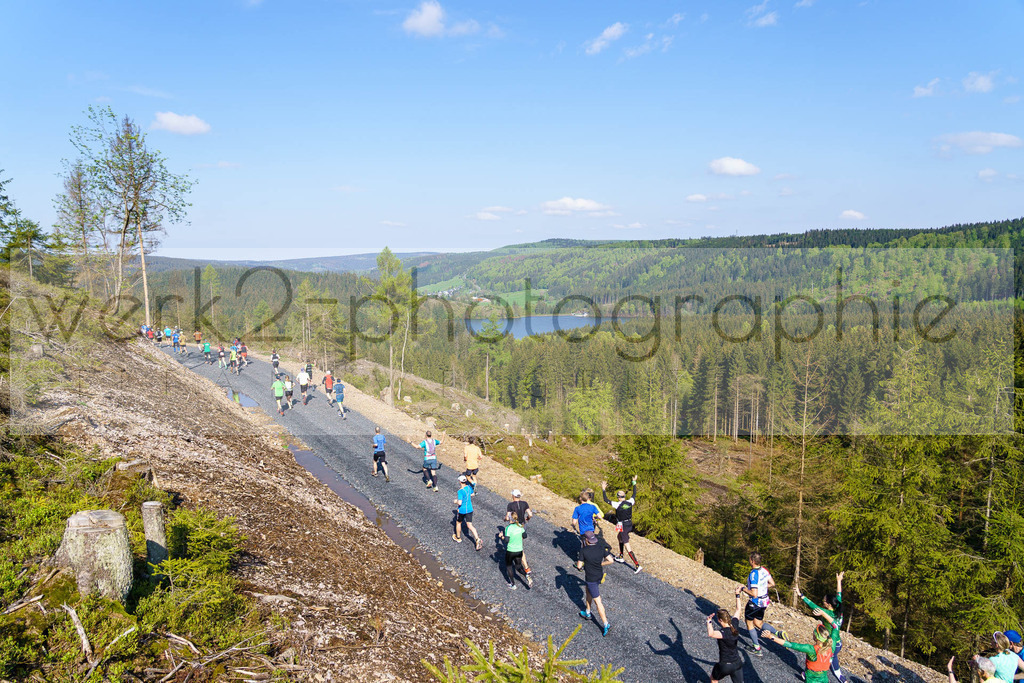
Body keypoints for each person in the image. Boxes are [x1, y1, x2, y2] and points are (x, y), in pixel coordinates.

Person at [797, 571, 846, 683]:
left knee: (825, 662)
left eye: (824, 601)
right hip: (838, 642)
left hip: (830, 643)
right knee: (833, 662)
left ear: (828, 604)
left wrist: (802, 596)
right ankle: (842, 679)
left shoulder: (826, 612)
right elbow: (839, 594)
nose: (822, 602)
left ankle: (815, 676)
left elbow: (812, 605)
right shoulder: (838, 608)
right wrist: (839, 581)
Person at [738, 553, 785, 656]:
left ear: (752, 561)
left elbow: (754, 594)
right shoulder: (764, 570)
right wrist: (762, 587)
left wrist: (743, 589)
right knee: (758, 623)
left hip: (755, 602)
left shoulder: (753, 574)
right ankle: (777, 633)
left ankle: (757, 648)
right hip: (764, 601)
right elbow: (772, 583)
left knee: (749, 623)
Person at [762, 624, 834, 683]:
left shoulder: (810, 649)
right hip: (824, 676)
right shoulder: (830, 647)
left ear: (816, 636)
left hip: (812, 677)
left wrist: (770, 636)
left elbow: (790, 645)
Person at [601, 476, 641, 574]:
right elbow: (634, 493)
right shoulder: (630, 502)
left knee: (627, 545)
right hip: (629, 523)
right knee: (619, 537)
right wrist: (634, 482)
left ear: (618, 497)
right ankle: (621, 556)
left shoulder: (616, 504)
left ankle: (637, 565)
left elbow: (606, 500)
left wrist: (603, 489)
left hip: (622, 524)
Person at [578, 531, 613, 637]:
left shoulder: (584, 550)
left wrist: (584, 564)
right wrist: (601, 563)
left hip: (591, 578)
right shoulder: (601, 548)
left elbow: (579, 566)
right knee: (587, 591)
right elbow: (611, 560)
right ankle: (587, 612)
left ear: (587, 541)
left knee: (598, 602)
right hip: (599, 576)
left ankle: (605, 624)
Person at [706, 590, 746, 683]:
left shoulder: (723, 632)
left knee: (714, 679)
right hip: (737, 663)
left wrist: (709, 622)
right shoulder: (734, 625)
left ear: (720, 620)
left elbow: (710, 633)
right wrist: (737, 595)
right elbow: (738, 610)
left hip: (725, 665)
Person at [572, 491, 602, 572]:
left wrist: (573, 526)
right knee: (590, 544)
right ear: (588, 499)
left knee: (584, 547)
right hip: (591, 529)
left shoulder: (577, 508)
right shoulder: (592, 507)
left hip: (583, 530)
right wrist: (594, 519)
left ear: (580, 499)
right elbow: (599, 516)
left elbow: (574, 522)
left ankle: (581, 564)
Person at [500, 511, 531, 589]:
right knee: (518, 566)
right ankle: (526, 575)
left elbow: (506, 540)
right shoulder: (520, 526)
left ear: (510, 519)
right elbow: (525, 536)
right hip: (519, 550)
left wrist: (501, 536)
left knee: (509, 567)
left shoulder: (508, 528)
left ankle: (513, 584)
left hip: (511, 551)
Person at [453, 475, 482, 550]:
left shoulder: (460, 491)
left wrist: (455, 501)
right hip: (469, 509)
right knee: (470, 525)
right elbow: (472, 494)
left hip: (462, 510)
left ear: (460, 481)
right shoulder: (469, 487)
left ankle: (458, 537)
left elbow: (459, 502)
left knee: (458, 523)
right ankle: (477, 538)